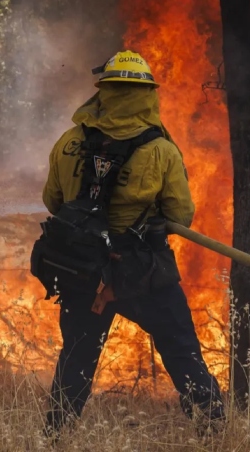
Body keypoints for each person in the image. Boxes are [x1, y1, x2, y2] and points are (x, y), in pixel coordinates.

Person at [40, 50, 225, 436]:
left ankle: (55, 434)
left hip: (81, 270)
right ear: (147, 95)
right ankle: (214, 431)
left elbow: (53, 202)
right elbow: (181, 215)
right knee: (180, 348)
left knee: (76, 357)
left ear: (103, 92)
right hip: (140, 272)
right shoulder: (160, 151)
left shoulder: (69, 142)